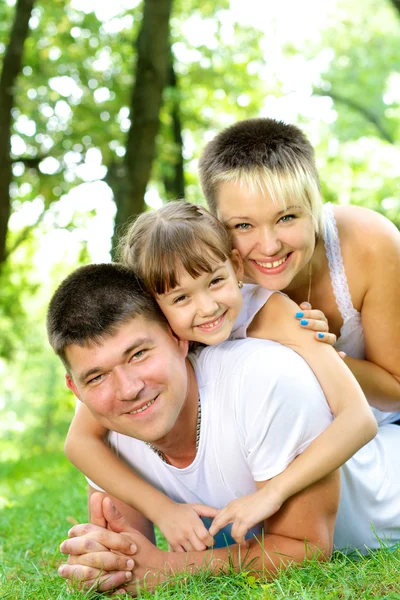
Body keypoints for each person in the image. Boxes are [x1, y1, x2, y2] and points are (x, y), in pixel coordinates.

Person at [47, 263, 400, 595]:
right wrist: (105, 562)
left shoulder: (266, 377)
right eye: (96, 376)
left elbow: (304, 548)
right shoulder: (106, 429)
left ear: (177, 337)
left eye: (138, 354)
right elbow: (133, 559)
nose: (127, 389)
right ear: (76, 389)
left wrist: (171, 568)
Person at [63, 202, 376, 550]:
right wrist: (162, 510)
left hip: (359, 431)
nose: (208, 307)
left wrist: (272, 494)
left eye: (215, 281)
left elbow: (360, 419)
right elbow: (79, 443)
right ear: (154, 306)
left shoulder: (275, 316)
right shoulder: (155, 345)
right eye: (181, 297)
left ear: (236, 266)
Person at [198, 117, 400, 425]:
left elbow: (396, 391)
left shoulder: (369, 242)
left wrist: (315, 351)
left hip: (381, 427)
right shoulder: (202, 278)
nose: (268, 247)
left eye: (287, 217)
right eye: (243, 225)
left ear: (314, 202)